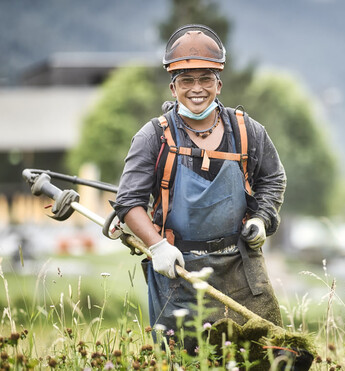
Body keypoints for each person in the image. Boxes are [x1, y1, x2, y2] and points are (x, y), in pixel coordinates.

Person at [113, 24, 286, 343]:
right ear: (172, 87)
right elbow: (128, 203)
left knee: (268, 354)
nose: (197, 88)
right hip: (178, 274)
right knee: (188, 359)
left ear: (218, 83)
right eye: (186, 80)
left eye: (205, 78)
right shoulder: (153, 137)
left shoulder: (247, 131)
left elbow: (272, 178)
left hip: (243, 271)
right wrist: (157, 246)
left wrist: (262, 219)